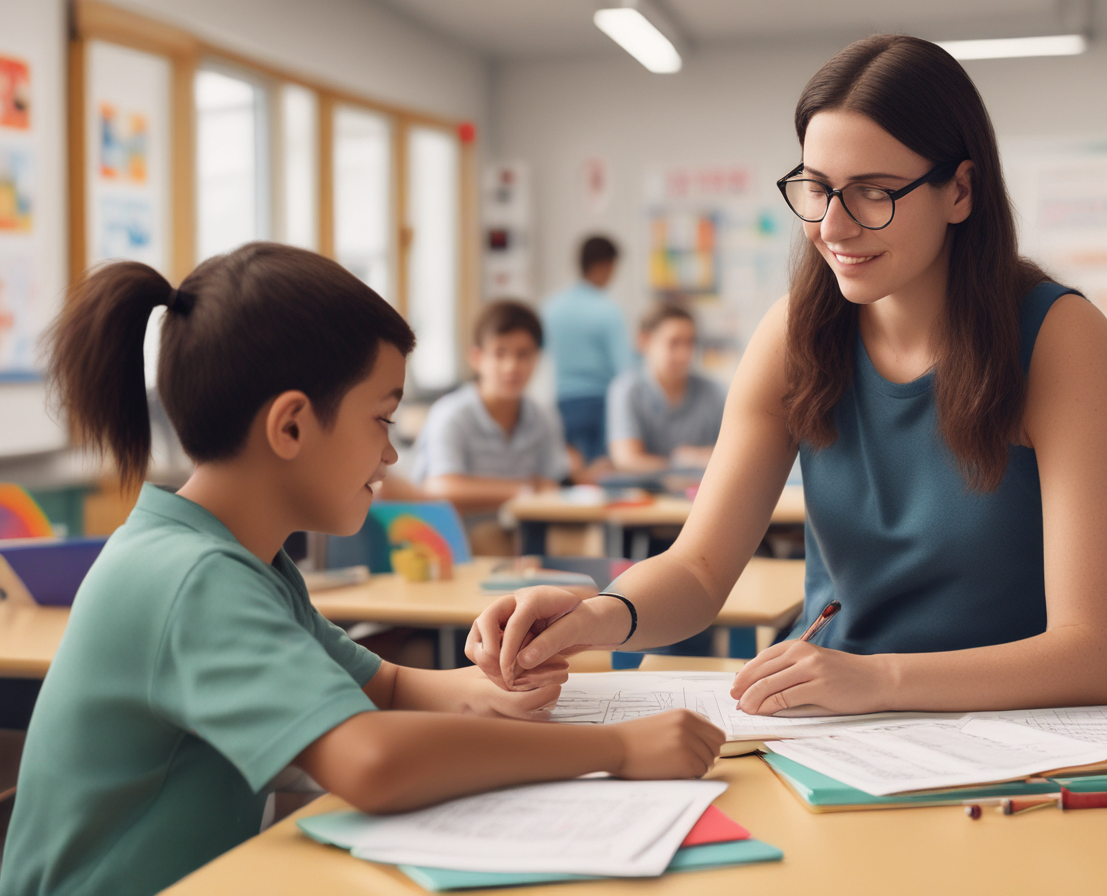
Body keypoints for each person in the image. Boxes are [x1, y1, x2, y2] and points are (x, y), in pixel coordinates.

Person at [0, 244, 723, 896]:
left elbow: (390, 686)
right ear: (290, 426)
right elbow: (371, 761)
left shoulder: (242, 561)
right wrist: (615, 748)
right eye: (382, 418)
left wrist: (498, 682)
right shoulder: (195, 577)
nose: (392, 454)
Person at [466, 35, 1107, 719]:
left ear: (961, 190)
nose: (833, 226)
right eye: (816, 189)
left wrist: (877, 680)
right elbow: (699, 570)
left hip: (1014, 733)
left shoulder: (1061, 341)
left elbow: (1095, 655)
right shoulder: (794, 336)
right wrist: (597, 615)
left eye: (873, 193)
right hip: (827, 725)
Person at [410, 300, 568, 518]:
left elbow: (550, 487)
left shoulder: (544, 418)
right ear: (476, 357)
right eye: (499, 353)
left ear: (537, 359)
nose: (511, 366)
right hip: (456, 539)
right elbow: (440, 487)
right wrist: (522, 489)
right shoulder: (451, 415)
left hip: (522, 537)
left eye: (523, 354)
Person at [542, 235, 633, 464]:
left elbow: (539, 350)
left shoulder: (552, 307)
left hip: (563, 402)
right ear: (604, 265)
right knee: (601, 472)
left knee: (573, 470)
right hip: (600, 403)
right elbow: (625, 368)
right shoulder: (607, 310)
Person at [607, 303, 725, 473]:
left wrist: (694, 457)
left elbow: (738, 451)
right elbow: (626, 459)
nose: (684, 354)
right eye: (673, 343)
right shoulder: (626, 390)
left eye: (690, 343)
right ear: (645, 341)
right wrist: (680, 464)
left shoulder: (714, 391)